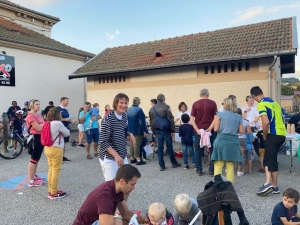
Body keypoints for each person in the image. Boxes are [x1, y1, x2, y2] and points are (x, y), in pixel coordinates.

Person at [73, 164, 149, 225]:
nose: (134, 188)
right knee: (117, 222)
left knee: (124, 222)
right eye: (132, 184)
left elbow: (126, 213)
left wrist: (144, 220)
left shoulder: (117, 189)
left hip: (96, 222)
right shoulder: (105, 196)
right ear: (122, 181)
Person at [250, 86, 286, 196]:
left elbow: (265, 122)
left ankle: (273, 186)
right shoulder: (274, 103)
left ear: (253, 95)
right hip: (282, 134)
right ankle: (268, 183)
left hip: (273, 134)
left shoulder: (261, 104)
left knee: (271, 160)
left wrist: (264, 135)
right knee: (268, 157)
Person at [99, 93, 136, 181]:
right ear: (116, 103)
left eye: (126, 103)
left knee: (126, 184)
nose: (124, 105)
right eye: (121, 103)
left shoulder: (124, 115)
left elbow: (122, 130)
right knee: (111, 186)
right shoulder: (108, 118)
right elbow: (103, 141)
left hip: (122, 155)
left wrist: (130, 134)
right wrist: (116, 156)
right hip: (110, 158)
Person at [210, 97, 243, 183]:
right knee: (230, 165)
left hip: (221, 140)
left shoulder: (219, 114)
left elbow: (216, 129)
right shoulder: (238, 116)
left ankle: (217, 184)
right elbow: (241, 131)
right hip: (233, 141)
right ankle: (229, 186)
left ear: (226, 104)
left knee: (218, 164)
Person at [149, 94, 181, 171]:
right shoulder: (166, 107)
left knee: (160, 147)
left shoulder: (152, 109)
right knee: (169, 146)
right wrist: (173, 130)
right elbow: (170, 118)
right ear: (163, 99)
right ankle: (173, 163)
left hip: (157, 129)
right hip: (166, 129)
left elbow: (151, 120)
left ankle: (161, 165)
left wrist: (153, 131)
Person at [190, 88, 217, 176]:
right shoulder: (213, 103)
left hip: (199, 130)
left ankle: (199, 169)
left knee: (198, 149)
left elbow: (191, 118)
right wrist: (210, 127)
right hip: (210, 130)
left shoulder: (195, 104)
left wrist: (197, 129)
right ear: (208, 95)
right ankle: (211, 170)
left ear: (200, 95)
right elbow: (216, 117)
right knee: (212, 149)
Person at [44, 107, 70, 200]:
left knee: (51, 169)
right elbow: (67, 133)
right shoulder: (58, 123)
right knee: (56, 170)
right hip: (56, 148)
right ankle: (53, 193)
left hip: (47, 148)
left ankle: (51, 190)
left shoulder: (47, 123)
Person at [26, 99, 45, 187]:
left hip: (40, 137)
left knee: (36, 158)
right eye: (36, 104)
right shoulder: (30, 116)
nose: (38, 105)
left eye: (39, 104)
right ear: (32, 105)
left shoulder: (37, 115)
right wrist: (42, 125)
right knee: (33, 159)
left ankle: (34, 176)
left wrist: (42, 125)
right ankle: (31, 181)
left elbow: (42, 124)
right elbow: (39, 128)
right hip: (35, 137)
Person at [127, 97, 148, 165]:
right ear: (138, 102)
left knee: (132, 144)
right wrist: (144, 130)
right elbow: (142, 121)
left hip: (130, 129)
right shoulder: (139, 110)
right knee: (137, 144)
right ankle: (138, 159)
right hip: (138, 130)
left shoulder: (128, 109)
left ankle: (132, 158)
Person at [57, 97, 74, 162]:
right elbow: (56, 119)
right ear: (62, 101)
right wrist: (65, 119)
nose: (68, 102)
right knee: (60, 143)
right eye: (67, 101)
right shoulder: (58, 109)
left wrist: (70, 121)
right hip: (60, 129)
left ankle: (62, 156)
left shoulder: (66, 109)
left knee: (64, 143)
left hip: (66, 127)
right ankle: (59, 157)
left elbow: (68, 118)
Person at [237, 108, 252, 176]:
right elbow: (249, 132)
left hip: (234, 138)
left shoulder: (233, 121)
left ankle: (229, 169)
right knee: (241, 155)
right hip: (242, 138)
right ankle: (239, 170)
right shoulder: (246, 122)